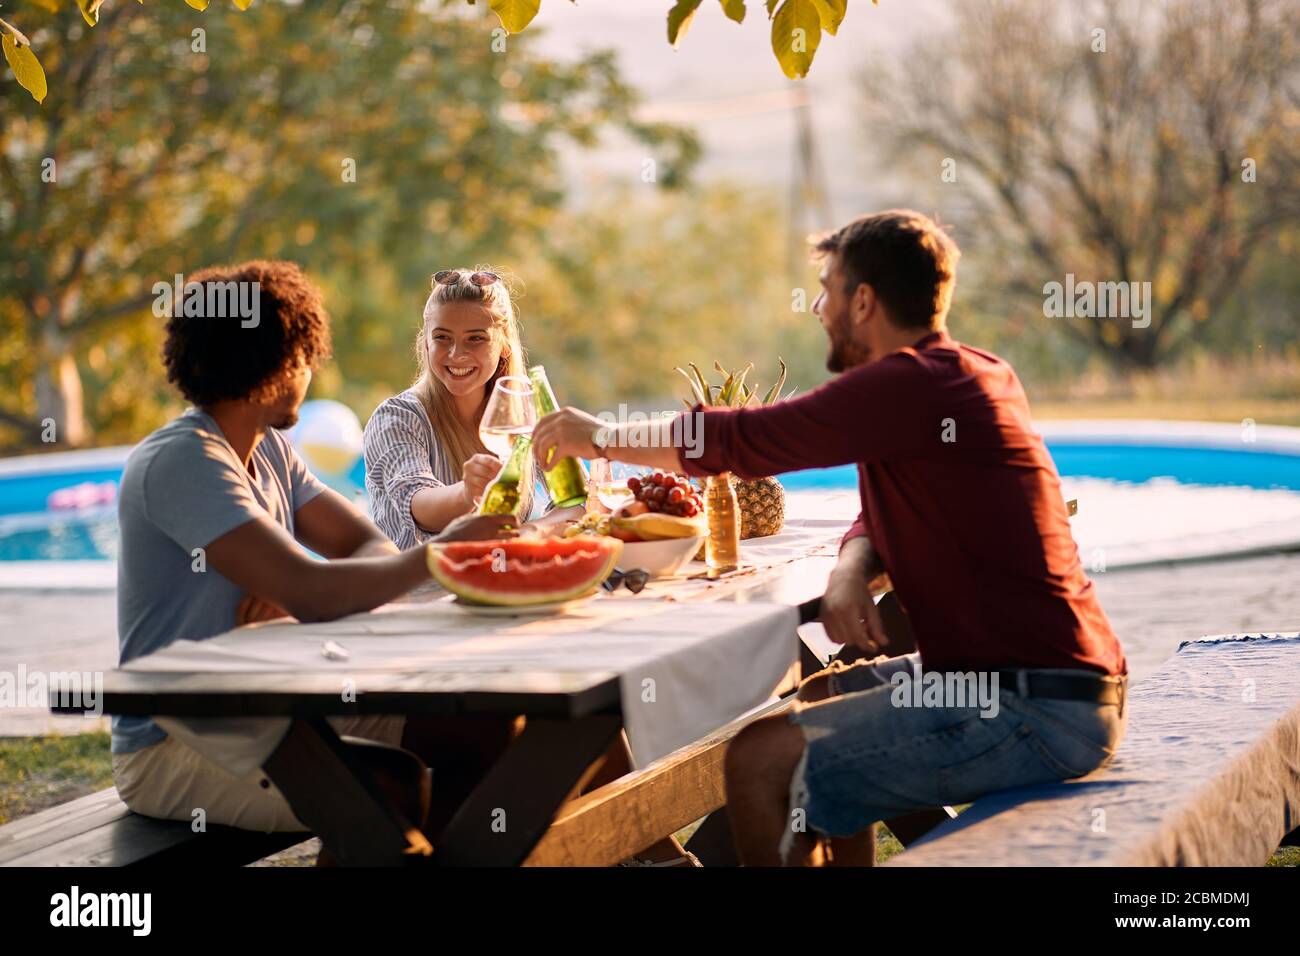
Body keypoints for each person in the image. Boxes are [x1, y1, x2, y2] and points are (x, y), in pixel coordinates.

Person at [531, 209, 1129, 866]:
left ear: (863, 300)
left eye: (827, 288)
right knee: (819, 695)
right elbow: (882, 511)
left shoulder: (903, 385)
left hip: (1034, 711)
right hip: (1056, 688)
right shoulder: (970, 373)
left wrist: (602, 437)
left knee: (760, 763)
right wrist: (850, 568)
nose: (818, 307)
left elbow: (740, 440)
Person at [111, 260, 514, 837]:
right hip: (178, 741)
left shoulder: (270, 450)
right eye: (304, 358)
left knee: (484, 728)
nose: (310, 371)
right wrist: (444, 551)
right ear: (274, 366)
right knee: (385, 786)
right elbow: (316, 590)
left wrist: (298, 591)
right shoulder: (183, 460)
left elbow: (363, 544)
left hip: (271, 706)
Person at [363, 268, 535, 547]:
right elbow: (419, 504)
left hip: (503, 582)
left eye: (475, 338)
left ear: (503, 343)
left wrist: (533, 533)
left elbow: (577, 500)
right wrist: (467, 494)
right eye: (442, 337)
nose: (457, 354)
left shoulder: (524, 413)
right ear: (426, 342)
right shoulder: (396, 418)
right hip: (418, 589)